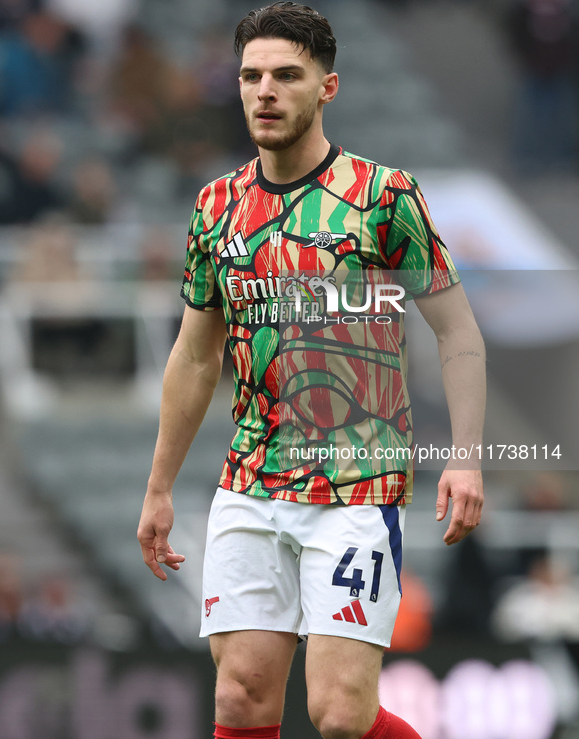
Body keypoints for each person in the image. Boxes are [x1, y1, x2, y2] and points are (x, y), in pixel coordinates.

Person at [137, 4, 485, 739]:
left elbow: (457, 332)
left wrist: (466, 456)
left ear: (326, 87)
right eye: (251, 75)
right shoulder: (216, 207)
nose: (264, 90)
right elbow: (196, 355)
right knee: (239, 700)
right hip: (249, 481)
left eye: (286, 75)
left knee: (337, 716)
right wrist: (160, 484)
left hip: (355, 485)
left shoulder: (382, 196)